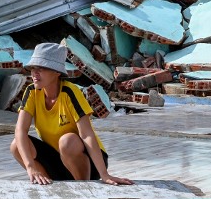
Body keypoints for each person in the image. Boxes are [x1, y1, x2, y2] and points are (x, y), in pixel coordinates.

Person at [10, 42, 133, 186]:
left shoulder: (70, 92)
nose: (35, 73)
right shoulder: (31, 91)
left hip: (88, 161)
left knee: (67, 141)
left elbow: (87, 135)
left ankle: (83, 185)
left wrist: (105, 175)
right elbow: (20, 130)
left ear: (57, 72)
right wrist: (30, 166)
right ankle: (45, 184)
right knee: (16, 145)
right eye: (33, 68)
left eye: (41, 68)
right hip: (57, 160)